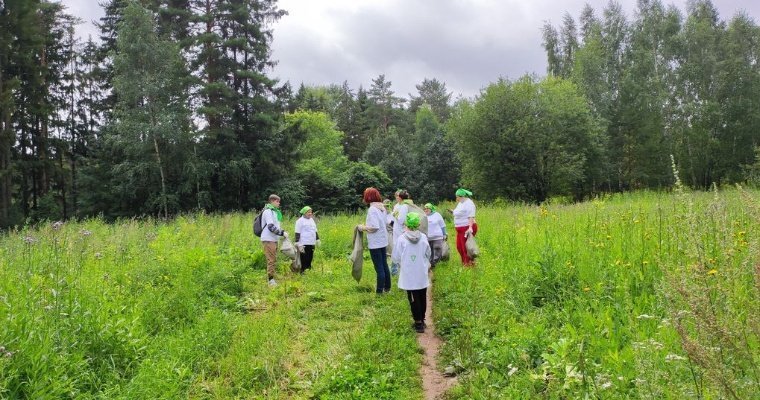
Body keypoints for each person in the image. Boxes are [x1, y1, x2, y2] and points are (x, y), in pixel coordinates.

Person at [392, 212, 431, 333]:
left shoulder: (402, 239)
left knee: (413, 297)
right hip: (421, 273)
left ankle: (418, 323)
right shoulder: (423, 237)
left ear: (406, 224)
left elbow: (396, 257)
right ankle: (422, 319)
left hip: (409, 274)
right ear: (418, 224)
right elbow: (428, 253)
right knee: (422, 296)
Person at [358, 187, 391, 293]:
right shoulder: (382, 207)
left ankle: (379, 291)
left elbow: (374, 227)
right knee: (384, 264)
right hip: (382, 240)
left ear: (368, 197)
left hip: (376, 242)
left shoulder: (372, 209)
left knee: (379, 267)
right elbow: (385, 223)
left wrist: (362, 227)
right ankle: (387, 288)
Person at [261, 194, 288, 286]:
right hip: (268, 239)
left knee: (273, 258)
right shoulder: (268, 211)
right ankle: (270, 280)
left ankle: (272, 276)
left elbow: (276, 226)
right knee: (271, 259)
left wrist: (282, 232)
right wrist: (282, 233)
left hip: (274, 239)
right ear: (272, 201)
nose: (279, 203)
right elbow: (271, 227)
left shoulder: (275, 212)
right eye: (277, 201)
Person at [451, 188, 477, 266]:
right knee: (459, 247)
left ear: (462, 196)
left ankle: (469, 265)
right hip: (460, 229)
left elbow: (471, 216)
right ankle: (465, 263)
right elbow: (459, 212)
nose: (456, 198)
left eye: (457, 197)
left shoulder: (469, 203)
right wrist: (453, 211)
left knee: (466, 248)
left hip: (466, 228)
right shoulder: (461, 203)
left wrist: (470, 227)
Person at [391, 190, 411, 275]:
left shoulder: (404, 206)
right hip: (396, 230)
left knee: (401, 250)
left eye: (397, 196)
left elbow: (401, 220)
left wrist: (394, 215)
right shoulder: (396, 205)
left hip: (401, 231)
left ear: (400, 197)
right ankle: (395, 270)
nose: (396, 197)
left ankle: (402, 270)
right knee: (396, 249)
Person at [295, 206, 319, 274]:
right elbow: (297, 232)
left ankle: (309, 268)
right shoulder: (299, 221)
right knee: (304, 257)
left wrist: (317, 239)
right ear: (304, 213)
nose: (310, 213)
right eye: (308, 212)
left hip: (311, 242)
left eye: (311, 212)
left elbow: (315, 230)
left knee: (310, 256)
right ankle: (302, 270)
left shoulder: (311, 220)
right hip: (303, 242)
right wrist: (297, 242)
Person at [424, 203, 447, 268]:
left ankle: (436, 262)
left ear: (431, 209)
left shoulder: (437, 215)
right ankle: (431, 264)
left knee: (438, 249)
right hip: (427, 237)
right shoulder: (423, 216)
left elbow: (442, 225)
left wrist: (444, 234)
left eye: (427, 208)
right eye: (425, 209)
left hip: (437, 236)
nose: (426, 210)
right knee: (429, 251)